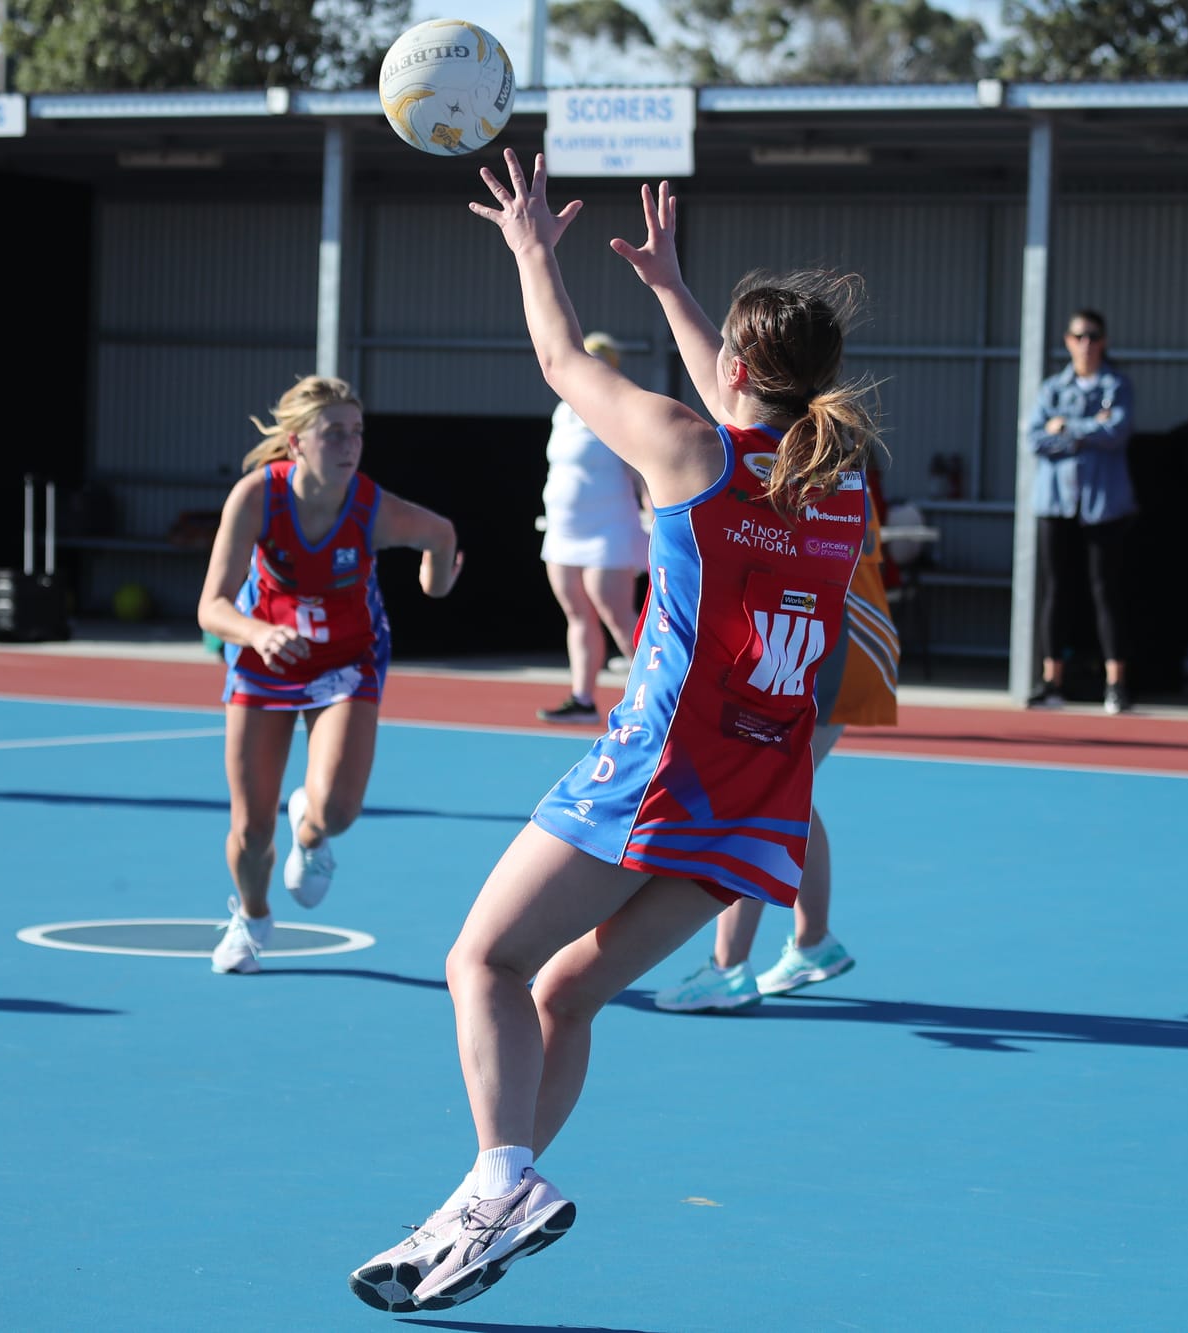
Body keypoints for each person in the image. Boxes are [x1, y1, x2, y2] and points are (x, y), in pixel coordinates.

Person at [347, 156, 879, 1314]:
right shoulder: (839, 488)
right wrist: (674, 292)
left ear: (733, 370)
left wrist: (531, 247)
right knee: (565, 997)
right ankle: (485, 1201)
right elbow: (743, 406)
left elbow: (559, 362)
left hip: (657, 773)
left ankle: (502, 1180)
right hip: (757, 801)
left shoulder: (689, 451)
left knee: (482, 963)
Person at [196, 375, 461, 974]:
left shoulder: (370, 508)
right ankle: (252, 918)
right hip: (266, 659)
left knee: (338, 811)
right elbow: (211, 607)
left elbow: (441, 535)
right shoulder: (257, 497)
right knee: (250, 827)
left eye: (357, 432)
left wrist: (438, 582)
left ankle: (312, 834)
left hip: (347, 659)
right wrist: (258, 632)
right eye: (333, 433)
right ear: (296, 443)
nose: (350, 444)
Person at [649, 474, 900, 1012]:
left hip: (822, 645)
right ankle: (812, 942)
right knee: (788, 795)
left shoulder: (790, 464)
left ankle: (729, 968)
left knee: (759, 797)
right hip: (826, 640)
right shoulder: (821, 460)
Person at [1023, 308, 1136, 714]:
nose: (1086, 344)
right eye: (1078, 336)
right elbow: (1034, 438)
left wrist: (1065, 427)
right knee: (1057, 589)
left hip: (1103, 507)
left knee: (1106, 590)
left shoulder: (1117, 385)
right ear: (1068, 342)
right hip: (1056, 503)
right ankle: (1052, 681)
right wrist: (1088, 427)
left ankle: (1116, 684)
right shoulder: (1053, 388)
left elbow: (1117, 431)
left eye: (1093, 336)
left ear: (1103, 341)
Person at [536, 331, 649, 724]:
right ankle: (583, 699)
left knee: (615, 611)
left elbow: (643, 472)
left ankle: (655, 699)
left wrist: (653, 513)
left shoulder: (620, 412)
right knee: (576, 612)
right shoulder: (562, 412)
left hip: (610, 528)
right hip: (564, 529)